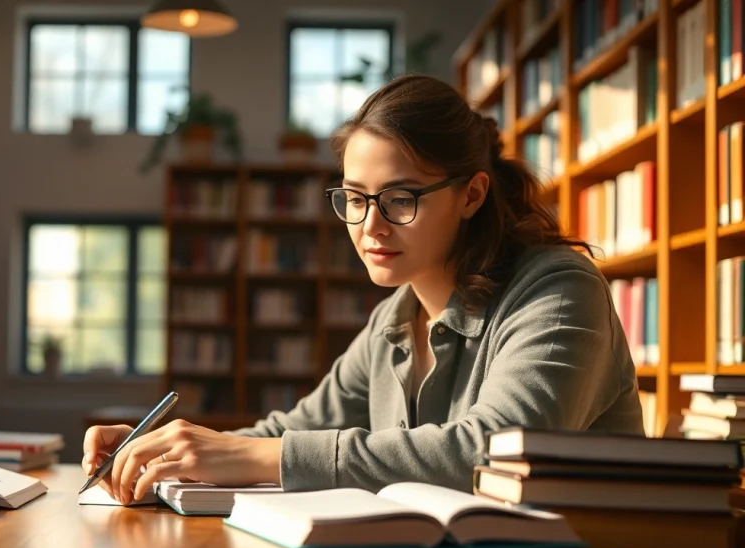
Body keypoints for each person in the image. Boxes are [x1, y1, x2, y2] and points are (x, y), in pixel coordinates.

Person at [82, 73, 644, 506]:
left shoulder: (559, 289)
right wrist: (165, 452)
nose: (370, 226)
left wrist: (245, 454)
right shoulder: (395, 320)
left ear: (471, 195)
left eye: (401, 198)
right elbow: (292, 432)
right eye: (355, 197)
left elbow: (495, 450)